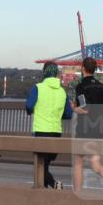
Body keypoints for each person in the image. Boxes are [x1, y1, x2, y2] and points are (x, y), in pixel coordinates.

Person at [25, 61, 73, 189]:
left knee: (40, 165)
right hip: (56, 133)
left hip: (41, 131)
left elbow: (29, 106)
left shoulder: (37, 88)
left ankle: (54, 185)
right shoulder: (62, 92)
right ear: (56, 73)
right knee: (45, 165)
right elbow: (68, 114)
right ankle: (46, 191)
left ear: (44, 72)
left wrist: (32, 111)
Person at [71, 57, 103, 192]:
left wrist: (73, 108)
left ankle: (77, 194)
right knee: (95, 164)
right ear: (94, 69)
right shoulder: (102, 86)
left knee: (78, 162)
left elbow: (84, 108)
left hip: (85, 128)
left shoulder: (81, 86)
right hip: (100, 129)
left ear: (83, 68)